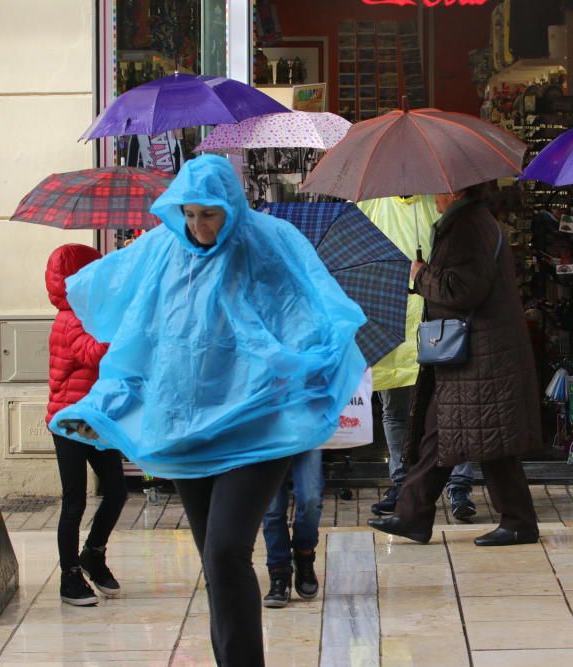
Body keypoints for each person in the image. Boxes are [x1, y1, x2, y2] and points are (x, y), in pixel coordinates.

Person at [50, 155, 365, 666]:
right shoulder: (162, 251)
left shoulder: (268, 243)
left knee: (225, 553)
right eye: (189, 214)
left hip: (257, 427)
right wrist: (102, 406)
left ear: (232, 207)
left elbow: (309, 310)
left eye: (209, 214)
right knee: (216, 563)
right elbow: (136, 340)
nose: (197, 227)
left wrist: (302, 371)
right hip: (186, 429)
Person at [368, 183, 542, 547]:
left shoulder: (468, 226)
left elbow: (463, 289)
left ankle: (518, 520)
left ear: (456, 191)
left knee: (485, 438)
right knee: (443, 430)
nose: (432, 195)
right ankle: (414, 513)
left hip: (480, 351)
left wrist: (419, 276)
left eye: (439, 190)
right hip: (474, 350)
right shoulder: (467, 222)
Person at [357, 195, 476, 522]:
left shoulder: (440, 203)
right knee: (395, 410)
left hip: (435, 319)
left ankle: (459, 483)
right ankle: (401, 483)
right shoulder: (368, 205)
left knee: (453, 407)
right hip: (388, 320)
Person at [45, 244, 126, 606]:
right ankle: (69, 576)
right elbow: (91, 353)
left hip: (93, 417)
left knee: (117, 491)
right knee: (75, 500)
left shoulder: (89, 312)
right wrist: (124, 333)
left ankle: (93, 552)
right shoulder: (71, 316)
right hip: (71, 420)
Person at [260, 449, 322, 608]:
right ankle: (279, 571)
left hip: (307, 432)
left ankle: (304, 554)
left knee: (311, 499)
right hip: (265, 434)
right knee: (271, 506)